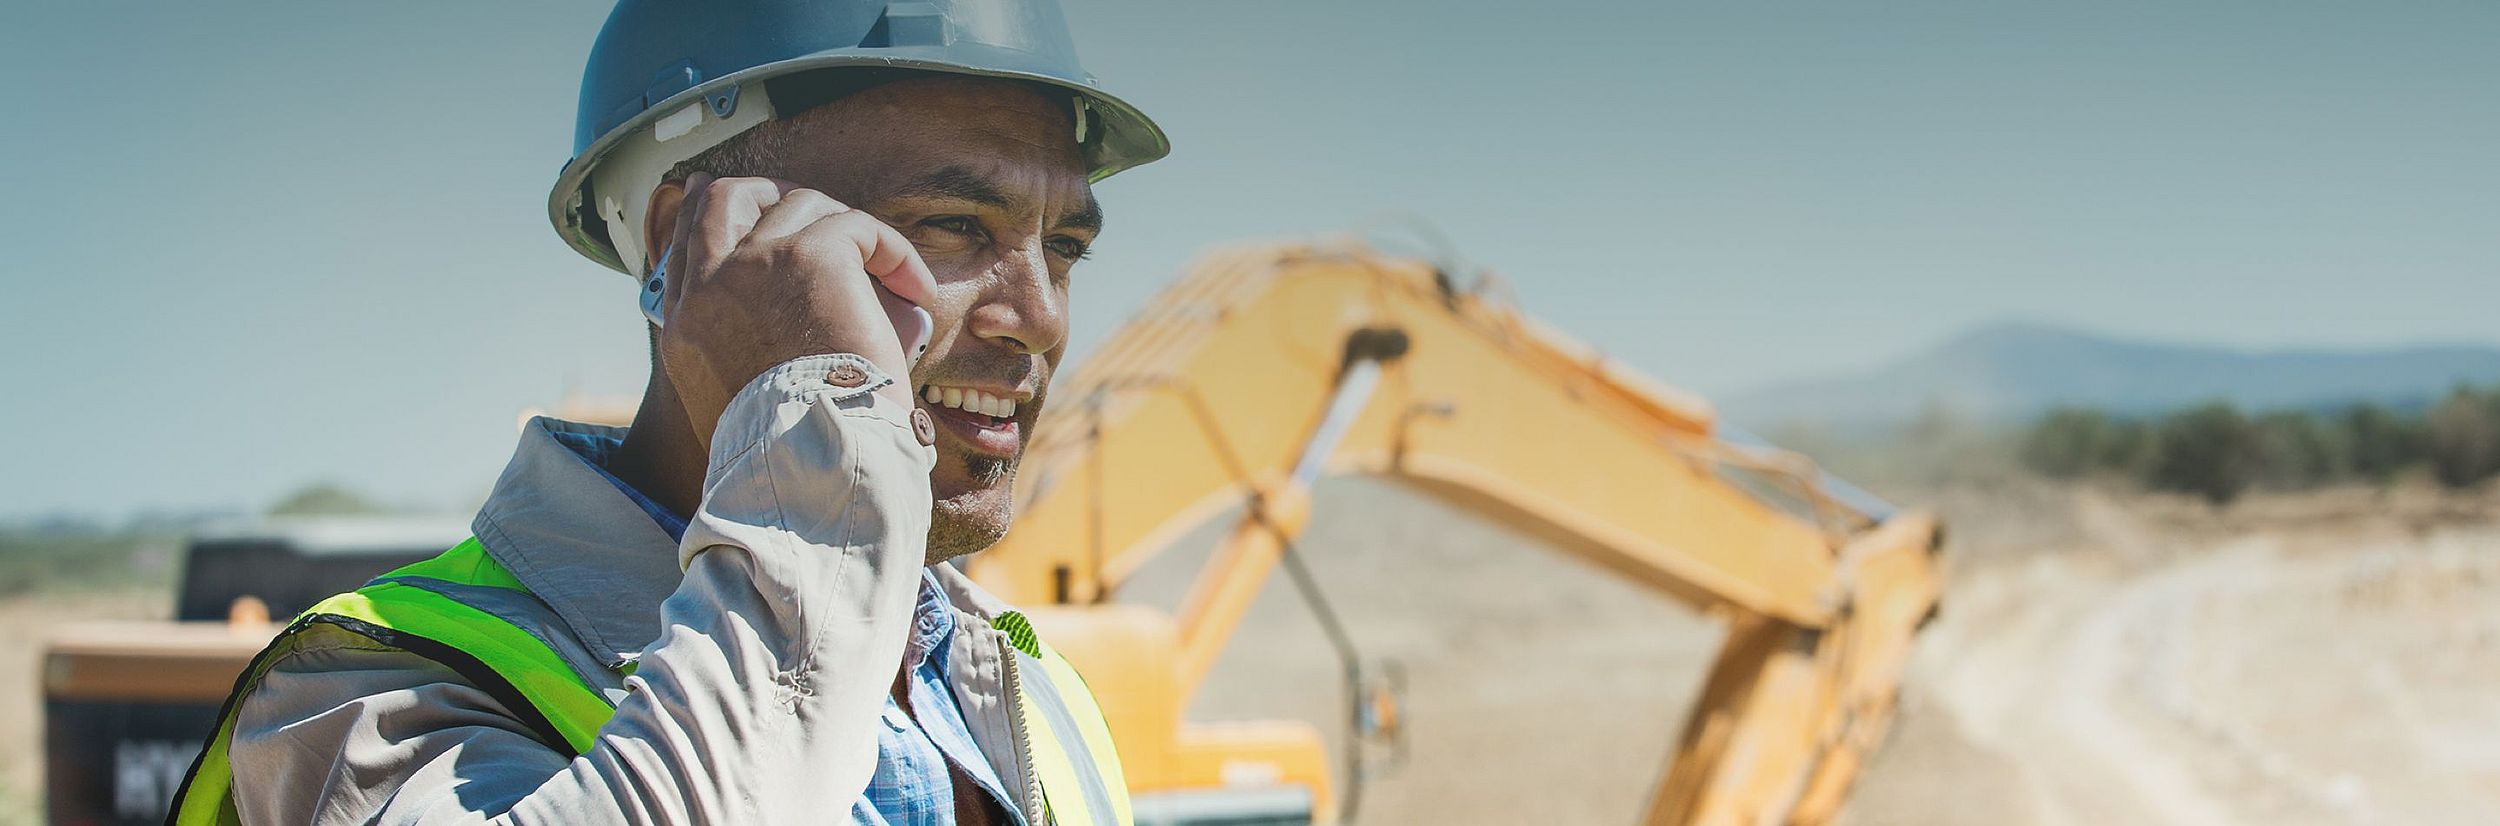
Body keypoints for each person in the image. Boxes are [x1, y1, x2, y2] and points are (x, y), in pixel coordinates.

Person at [168, 1, 1168, 823]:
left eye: (1067, 247)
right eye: (954, 226)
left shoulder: (1034, 692)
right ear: (683, 241)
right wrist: (821, 449)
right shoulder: (369, 698)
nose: (1039, 316)